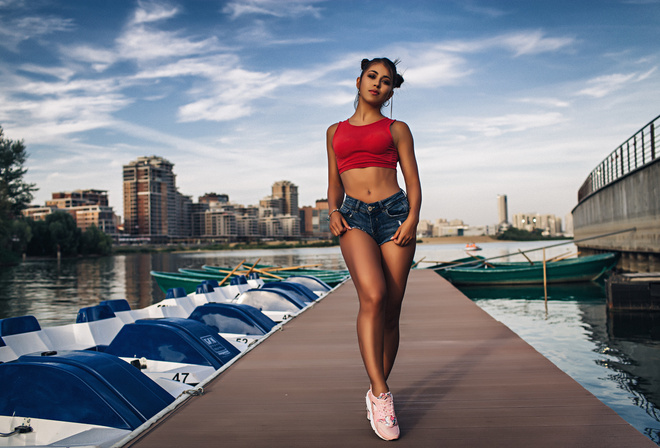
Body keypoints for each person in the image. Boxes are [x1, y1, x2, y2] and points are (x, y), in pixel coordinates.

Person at [326, 57, 421, 441]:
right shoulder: (334, 131)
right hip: (353, 218)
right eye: (372, 77)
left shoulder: (397, 129)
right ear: (359, 80)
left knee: (392, 311)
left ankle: (374, 388)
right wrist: (333, 210)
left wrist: (412, 218)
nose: (377, 85)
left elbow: (412, 178)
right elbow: (333, 180)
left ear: (391, 91)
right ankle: (382, 394)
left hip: (395, 214)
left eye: (386, 82)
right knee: (374, 296)